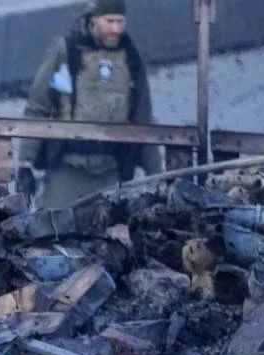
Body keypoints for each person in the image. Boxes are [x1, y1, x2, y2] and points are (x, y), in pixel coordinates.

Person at [15, 0, 164, 209]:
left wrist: (156, 176)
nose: (116, 29)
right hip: (68, 169)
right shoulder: (66, 53)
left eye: (120, 22)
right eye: (110, 21)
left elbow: (143, 120)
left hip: (111, 172)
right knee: (50, 229)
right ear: (94, 20)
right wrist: (25, 163)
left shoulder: (131, 59)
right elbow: (38, 107)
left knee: (112, 235)